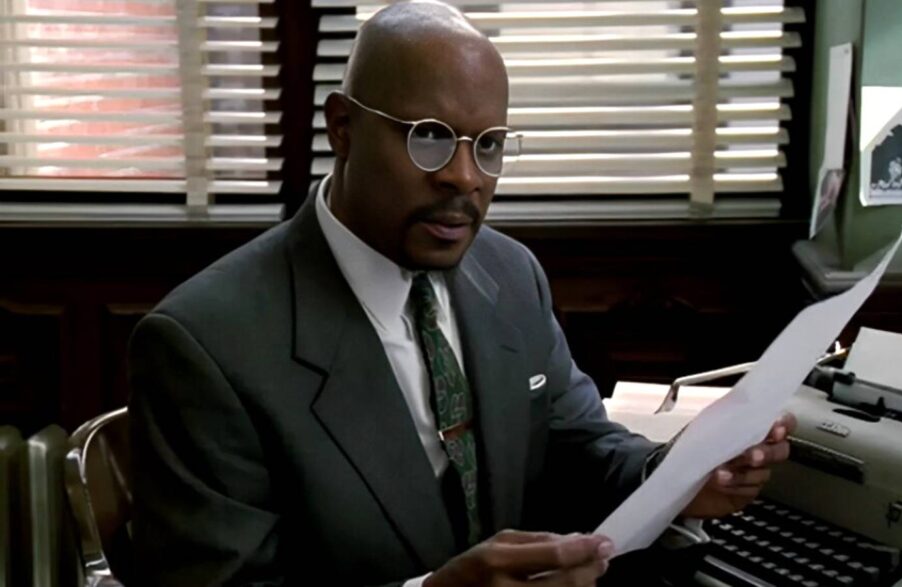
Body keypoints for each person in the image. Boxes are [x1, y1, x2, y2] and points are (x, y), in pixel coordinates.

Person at [128, 2, 794, 586]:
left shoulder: (510, 272)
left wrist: (672, 476)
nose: (465, 177)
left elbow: (576, 445)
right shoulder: (205, 345)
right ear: (342, 128)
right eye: (429, 137)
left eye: (490, 145)